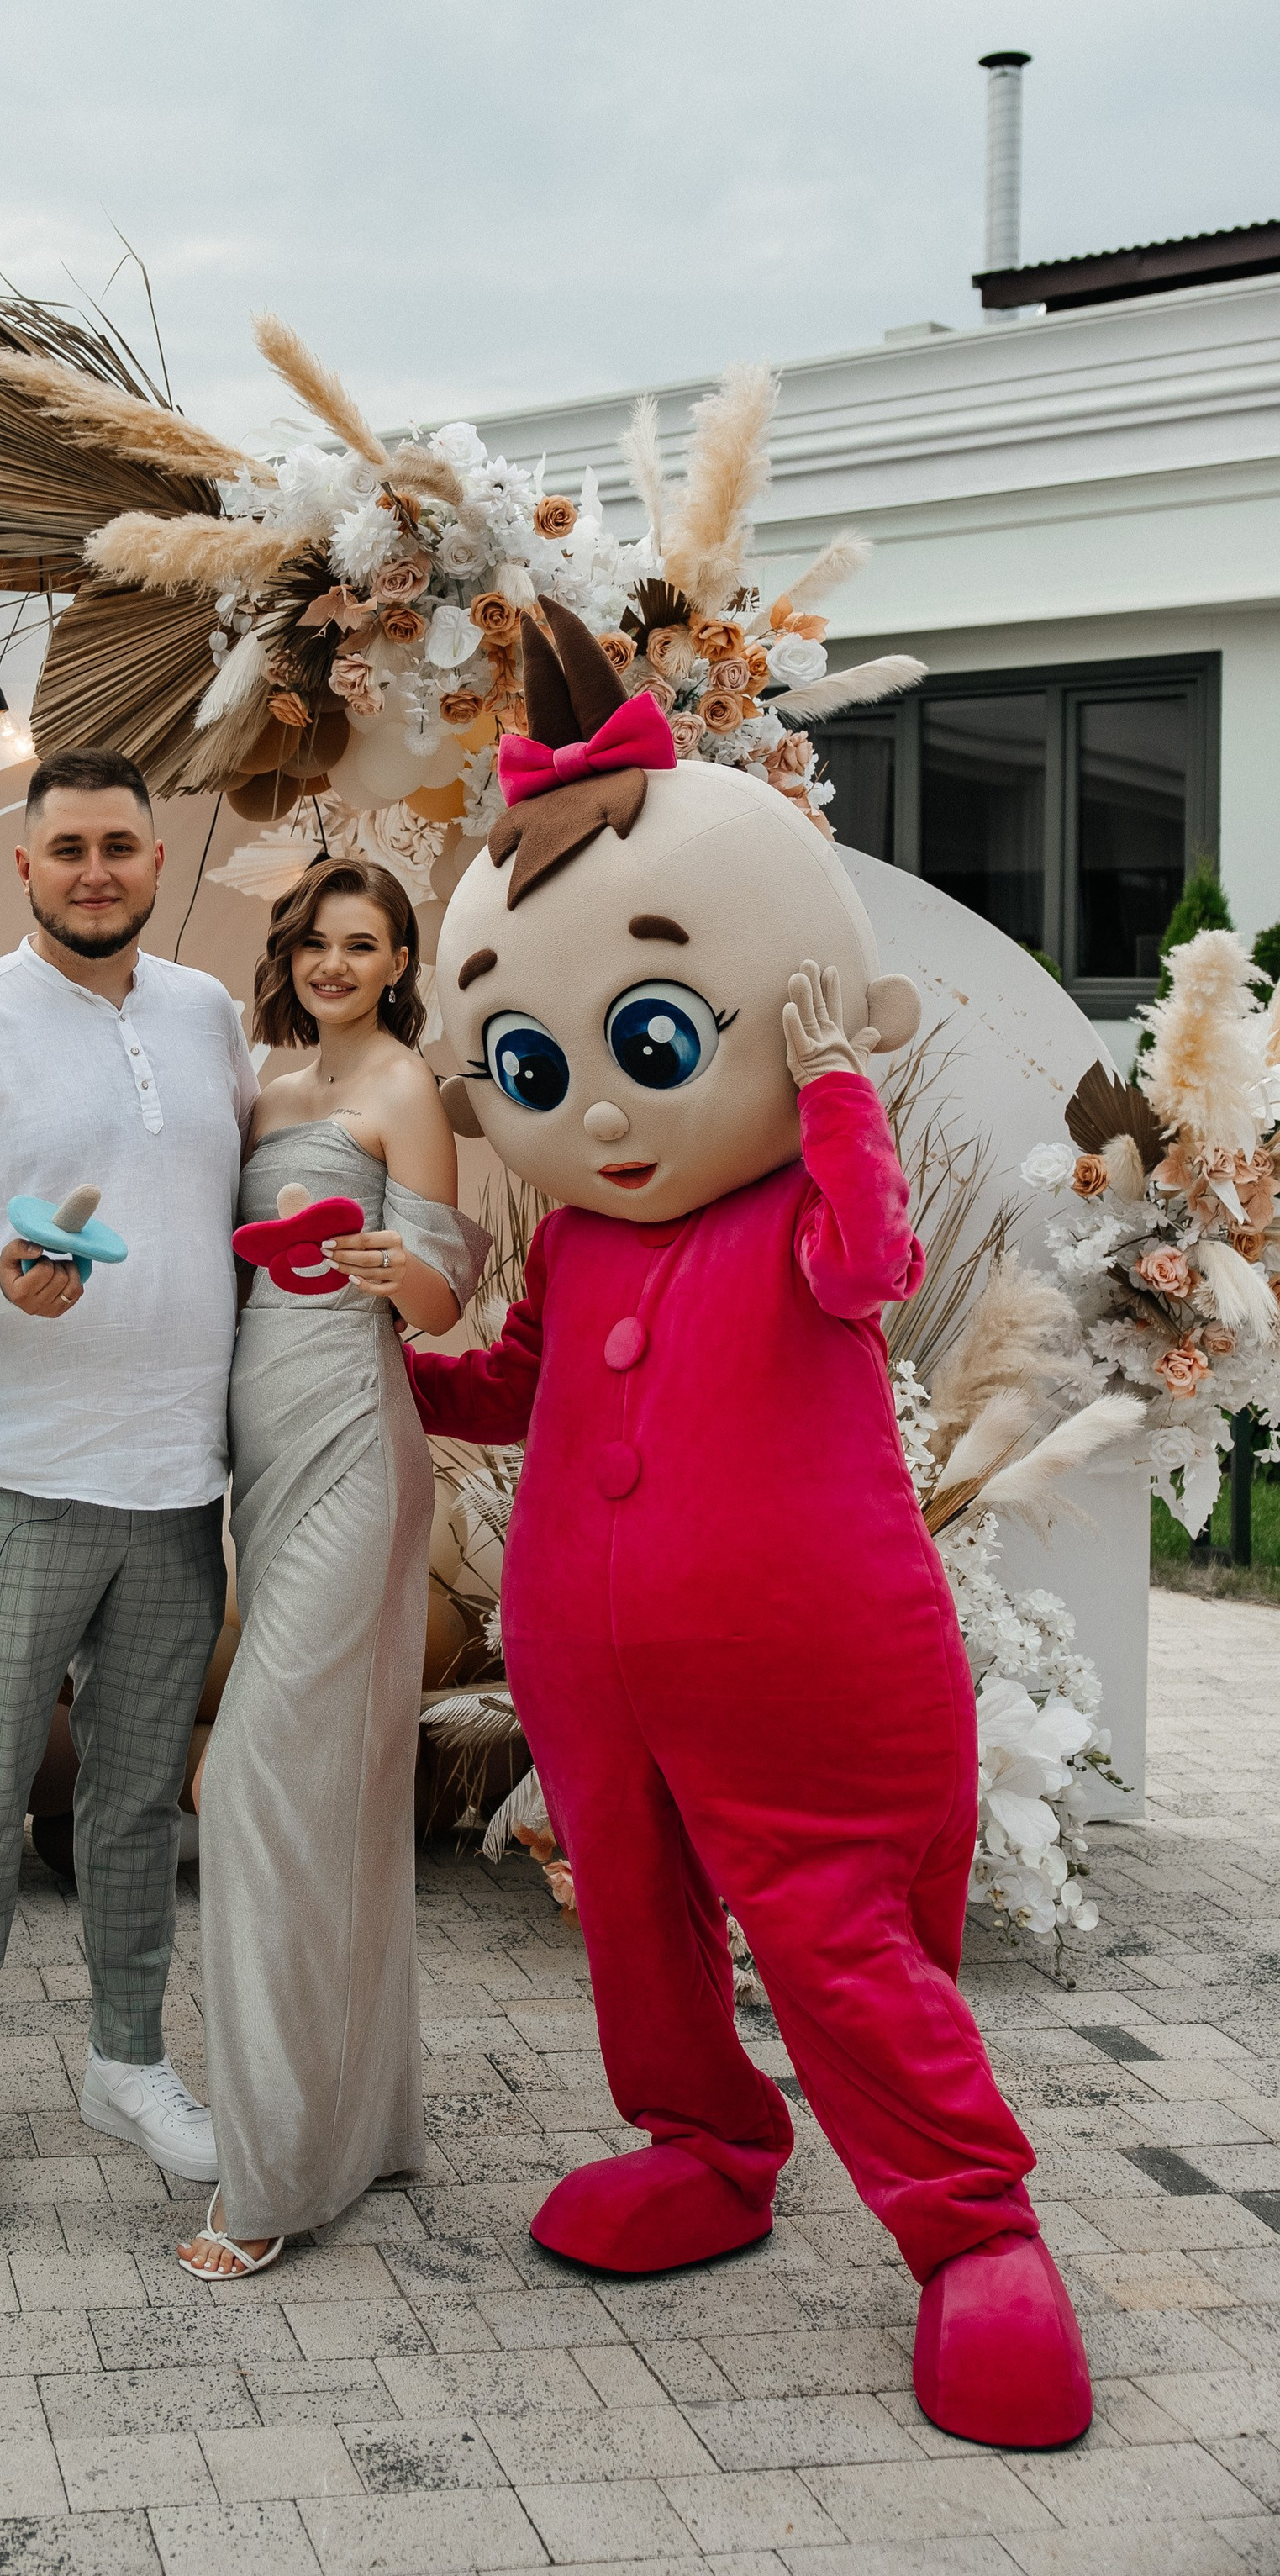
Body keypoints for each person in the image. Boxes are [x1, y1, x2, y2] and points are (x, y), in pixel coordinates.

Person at [408, 595, 1092, 2452]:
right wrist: (382, 1342)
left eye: (644, 1033)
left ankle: (971, 2233)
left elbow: (871, 1263)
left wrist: (833, 1089)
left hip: (793, 1657)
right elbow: (508, 1394)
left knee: (837, 1936)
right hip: (586, 1661)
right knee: (630, 1926)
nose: (603, 1113)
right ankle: (703, 2143)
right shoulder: (573, 1232)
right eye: (537, 1069)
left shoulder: (792, 1205)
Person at [0, 747, 255, 2239]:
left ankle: (126, 2062)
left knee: (138, 1803)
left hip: (175, 1486)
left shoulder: (210, 1019)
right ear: (24, 866)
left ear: (157, 862)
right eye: (66, 846)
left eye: (120, 847)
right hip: (14, 1478)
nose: (95, 870)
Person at [177, 859, 486, 2282]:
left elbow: (446, 1295)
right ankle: (363, 2128)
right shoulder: (258, 1080)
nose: (334, 962)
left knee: (252, 1780)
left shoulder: (406, 1089)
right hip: (262, 1448)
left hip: (359, 1442)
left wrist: (387, 1265)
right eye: (315, 940)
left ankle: (275, 2173)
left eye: (364, 944)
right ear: (289, 951)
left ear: (400, 959)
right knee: (336, 1797)